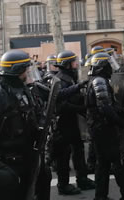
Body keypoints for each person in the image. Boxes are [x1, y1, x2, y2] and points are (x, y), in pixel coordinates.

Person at [0, 50, 49, 199]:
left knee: (44, 178)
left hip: (28, 153)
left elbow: (34, 113)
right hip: (9, 158)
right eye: (26, 70)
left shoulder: (24, 88)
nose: (28, 74)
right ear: (17, 70)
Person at [85, 52, 124, 200]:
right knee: (119, 162)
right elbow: (105, 107)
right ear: (102, 67)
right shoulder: (99, 81)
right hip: (105, 130)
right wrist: (120, 121)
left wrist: (120, 110)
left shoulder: (96, 80)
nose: (111, 67)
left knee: (103, 165)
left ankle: (101, 196)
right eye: (108, 64)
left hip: (98, 129)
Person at [53, 50, 95, 195]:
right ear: (67, 64)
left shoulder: (69, 77)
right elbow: (61, 104)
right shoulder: (60, 79)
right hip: (63, 123)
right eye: (74, 62)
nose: (77, 64)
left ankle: (82, 179)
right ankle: (63, 185)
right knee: (64, 155)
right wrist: (81, 108)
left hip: (73, 121)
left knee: (79, 150)